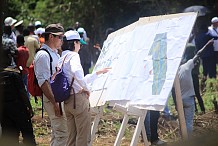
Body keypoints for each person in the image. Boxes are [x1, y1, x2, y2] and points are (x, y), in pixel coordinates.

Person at [59, 30, 110, 146]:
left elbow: (75, 79)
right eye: (79, 43)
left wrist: (96, 74)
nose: (80, 46)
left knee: (71, 138)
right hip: (78, 101)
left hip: (67, 101)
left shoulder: (62, 58)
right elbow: (77, 72)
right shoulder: (74, 56)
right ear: (74, 43)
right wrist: (86, 88)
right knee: (83, 138)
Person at [1, 27, 36, 146]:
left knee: (9, 135)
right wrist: (29, 108)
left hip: (4, 110)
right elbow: (22, 92)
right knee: (28, 134)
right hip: (18, 108)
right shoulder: (14, 74)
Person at [34, 23, 68, 146]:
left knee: (57, 133)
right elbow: (43, 81)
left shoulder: (55, 53)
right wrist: (55, 103)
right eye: (59, 37)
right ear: (51, 37)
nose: (61, 40)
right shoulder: (43, 55)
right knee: (63, 134)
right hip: (52, 99)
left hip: (57, 98)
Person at [178, 39, 214, 136]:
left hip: (180, 100)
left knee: (182, 121)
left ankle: (181, 138)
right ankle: (188, 140)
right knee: (189, 122)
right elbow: (199, 54)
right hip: (189, 99)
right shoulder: (188, 65)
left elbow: (174, 90)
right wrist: (207, 44)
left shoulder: (177, 72)